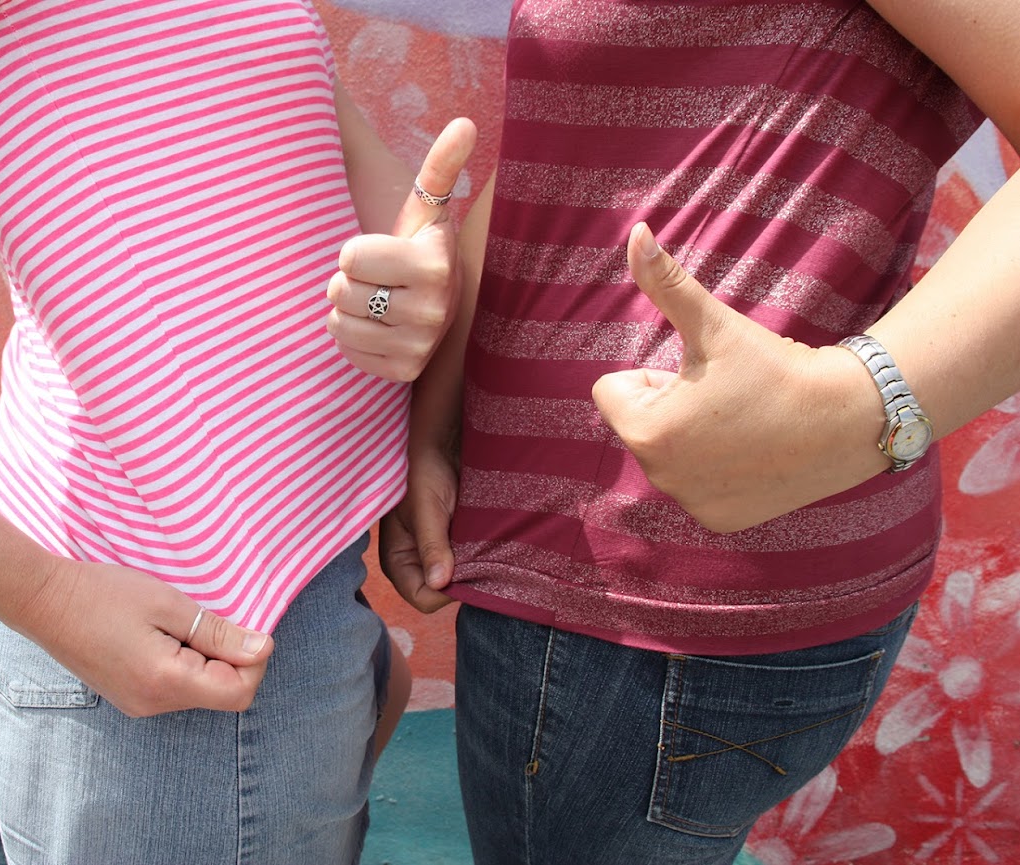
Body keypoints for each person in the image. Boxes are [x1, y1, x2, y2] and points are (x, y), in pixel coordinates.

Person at [0, 1, 475, 863]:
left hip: (297, 584)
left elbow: (295, 133)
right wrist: (48, 597)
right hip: (170, 636)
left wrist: (415, 280)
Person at [380, 1, 1020, 863]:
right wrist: (437, 422)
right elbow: (563, 154)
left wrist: (853, 405)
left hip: (652, 603)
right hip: (581, 572)